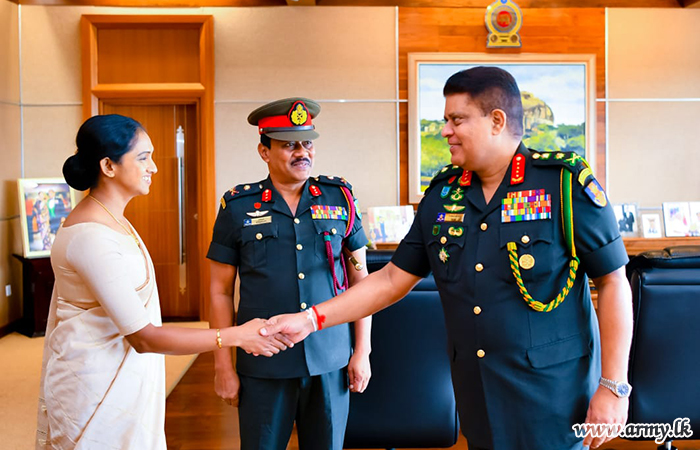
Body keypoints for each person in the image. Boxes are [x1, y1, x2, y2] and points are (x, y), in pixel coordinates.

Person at [262, 68, 634, 450]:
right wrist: (311, 319)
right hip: (479, 395)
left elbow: (613, 281)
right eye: (445, 120)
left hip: (554, 397)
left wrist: (613, 386)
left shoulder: (563, 184)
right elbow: (390, 280)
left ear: (496, 121)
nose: (445, 131)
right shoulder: (443, 194)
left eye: (457, 120)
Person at [36, 114, 290, 450]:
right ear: (108, 166)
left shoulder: (112, 220)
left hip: (121, 378)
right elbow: (144, 337)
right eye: (143, 158)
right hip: (94, 389)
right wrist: (237, 336)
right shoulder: (91, 237)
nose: (153, 167)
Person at [207, 97, 372, 450]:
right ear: (264, 151)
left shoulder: (340, 198)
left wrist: (363, 352)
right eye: (289, 145)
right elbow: (219, 292)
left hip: (330, 359)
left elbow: (362, 284)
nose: (302, 153)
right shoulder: (237, 207)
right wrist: (223, 365)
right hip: (263, 361)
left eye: (307, 143)